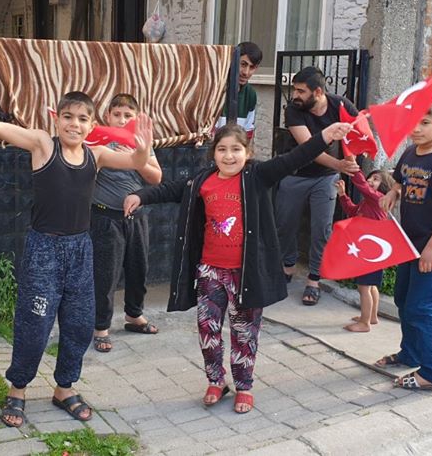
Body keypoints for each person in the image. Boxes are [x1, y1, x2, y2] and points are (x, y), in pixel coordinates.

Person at [0, 81, 153, 428]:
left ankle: (64, 388)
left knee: (78, 323)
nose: (74, 124)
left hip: (80, 250)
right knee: (34, 323)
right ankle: (18, 389)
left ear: (92, 124)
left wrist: (142, 148)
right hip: (44, 250)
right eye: (68, 116)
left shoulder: (97, 155)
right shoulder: (43, 145)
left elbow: (135, 161)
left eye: (82, 119)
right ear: (57, 119)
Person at [123, 121, 353, 413]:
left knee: (243, 333)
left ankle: (244, 387)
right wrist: (140, 195)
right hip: (209, 272)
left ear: (248, 152)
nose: (229, 156)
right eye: (222, 149)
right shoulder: (202, 180)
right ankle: (216, 381)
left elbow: (294, 158)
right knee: (207, 330)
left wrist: (325, 137)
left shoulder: (257, 176)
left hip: (245, 274)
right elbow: (171, 189)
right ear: (213, 153)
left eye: (236, 149)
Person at [375, 100, 432, 390]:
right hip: (409, 245)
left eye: (425, 123)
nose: (416, 128)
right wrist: (393, 193)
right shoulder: (410, 153)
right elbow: (400, 181)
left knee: (422, 309)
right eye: (412, 121)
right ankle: (411, 353)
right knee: (404, 301)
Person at [274, 67, 360, 306]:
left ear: (318, 92)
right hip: (295, 174)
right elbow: (308, 148)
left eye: (301, 91)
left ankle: (314, 279)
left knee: (322, 228)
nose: (295, 95)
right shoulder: (293, 110)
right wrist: (340, 165)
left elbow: (357, 133)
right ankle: (287, 265)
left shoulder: (340, 105)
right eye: (295, 89)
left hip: (326, 178)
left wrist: (351, 158)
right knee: (285, 223)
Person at [90, 93, 163, 353]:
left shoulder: (141, 141)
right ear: (107, 116)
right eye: (117, 114)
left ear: (135, 118)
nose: (121, 120)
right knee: (105, 275)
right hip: (105, 217)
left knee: (138, 268)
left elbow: (156, 178)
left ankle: (134, 315)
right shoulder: (98, 139)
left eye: (127, 115)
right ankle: (101, 327)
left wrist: (136, 157)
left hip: (137, 217)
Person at [335, 169, 394, 333]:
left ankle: (364, 323)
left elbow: (362, 186)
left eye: (375, 179)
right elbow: (352, 211)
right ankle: (372, 317)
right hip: (370, 251)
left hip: (370, 251)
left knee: (363, 287)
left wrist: (354, 168)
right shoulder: (368, 203)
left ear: (384, 186)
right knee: (371, 286)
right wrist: (343, 195)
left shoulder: (379, 199)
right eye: (369, 177)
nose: (369, 181)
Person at [214, 42, 262, 139]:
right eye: (243, 64)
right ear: (232, 61)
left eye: (252, 67)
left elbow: (247, 133)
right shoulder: (215, 88)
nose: (246, 72)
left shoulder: (250, 94)